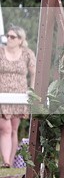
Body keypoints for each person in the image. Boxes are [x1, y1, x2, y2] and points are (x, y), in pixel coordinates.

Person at [0, 25, 36, 168]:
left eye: (12, 36)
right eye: (7, 36)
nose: (9, 39)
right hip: (2, 96)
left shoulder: (27, 54)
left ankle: (10, 161)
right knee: (5, 128)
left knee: (14, 129)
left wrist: (31, 89)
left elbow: (34, 72)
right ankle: (6, 161)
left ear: (20, 40)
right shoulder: (1, 52)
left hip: (19, 96)